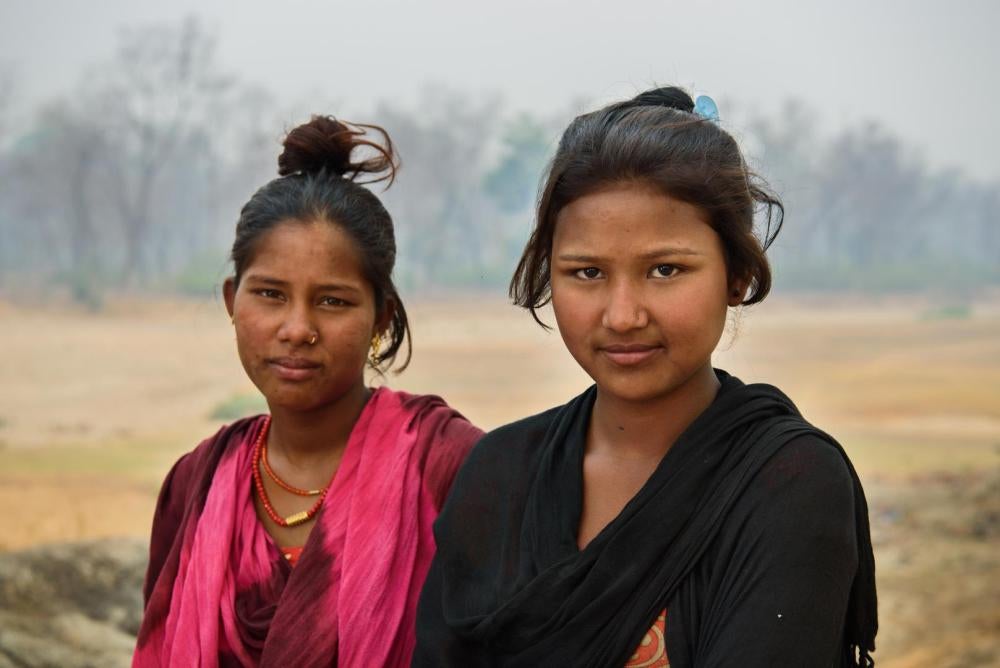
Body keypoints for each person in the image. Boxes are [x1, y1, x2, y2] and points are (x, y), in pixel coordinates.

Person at [414, 87, 877, 667]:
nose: (623, 316)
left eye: (665, 270)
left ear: (736, 275)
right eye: (586, 272)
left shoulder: (788, 482)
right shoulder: (500, 472)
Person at [133, 116, 482, 667]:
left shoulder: (447, 466)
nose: (297, 328)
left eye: (333, 301)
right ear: (232, 302)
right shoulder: (194, 487)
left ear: (381, 318)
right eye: (270, 294)